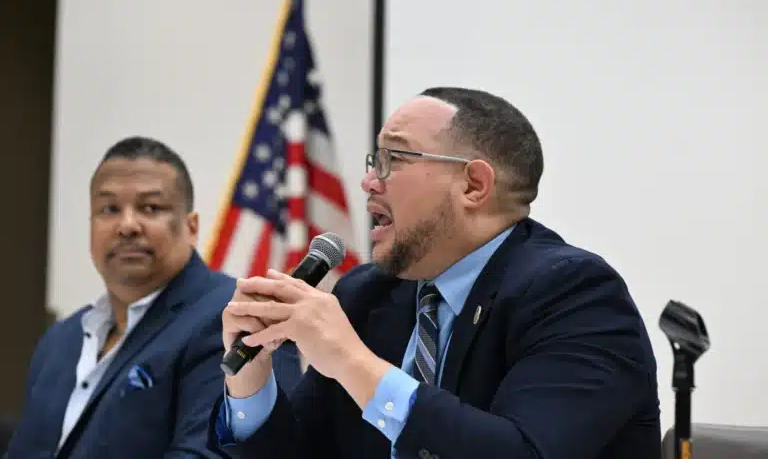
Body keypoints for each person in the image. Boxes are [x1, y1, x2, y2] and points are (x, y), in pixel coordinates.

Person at [209, 88, 662, 458]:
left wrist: (349, 360)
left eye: (394, 159)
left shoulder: (575, 295)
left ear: (473, 185)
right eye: (374, 162)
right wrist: (250, 374)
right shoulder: (369, 295)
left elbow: (523, 453)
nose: (369, 181)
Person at [5, 137, 298, 458]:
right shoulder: (61, 339)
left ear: (191, 227)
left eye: (151, 208)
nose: (127, 225)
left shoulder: (235, 318)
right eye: (109, 209)